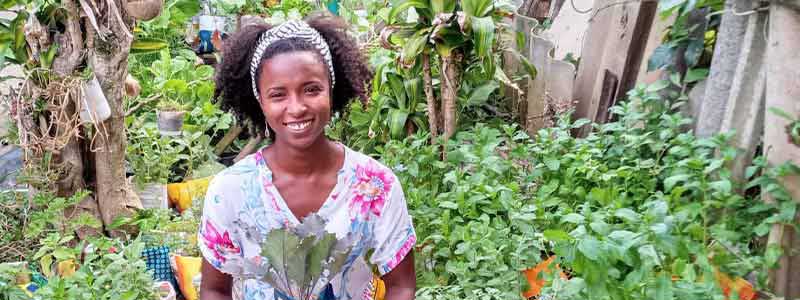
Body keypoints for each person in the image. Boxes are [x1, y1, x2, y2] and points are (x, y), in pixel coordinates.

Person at [198, 15, 417, 300]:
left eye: (311, 89)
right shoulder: (231, 191)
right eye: (278, 95)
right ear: (260, 101)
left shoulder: (376, 184)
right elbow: (215, 290)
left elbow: (402, 286)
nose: (297, 107)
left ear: (331, 90)